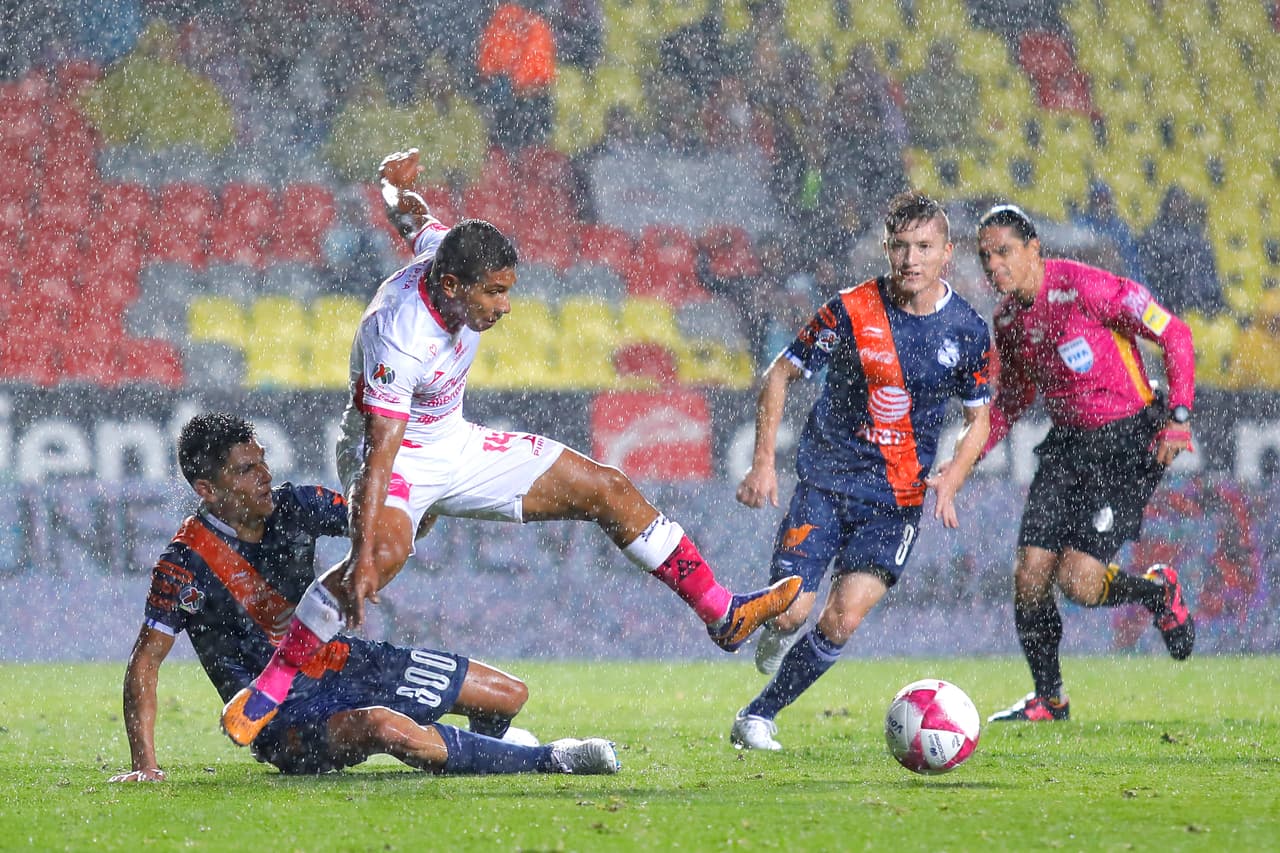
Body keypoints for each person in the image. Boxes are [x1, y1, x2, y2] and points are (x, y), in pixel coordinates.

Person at [220, 150, 802, 746]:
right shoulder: (397, 334)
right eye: (494, 293)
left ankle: (722, 615)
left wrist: (393, 188)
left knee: (608, 489)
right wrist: (366, 549)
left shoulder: (444, 257)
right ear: (452, 287)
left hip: (456, 442)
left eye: (507, 290)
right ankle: (273, 684)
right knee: (377, 563)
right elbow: (379, 456)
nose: (505, 306)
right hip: (395, 460)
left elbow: (414, 219)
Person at [110, 413, 620, 782]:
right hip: (282, 717)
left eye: (262, 460)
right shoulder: (185, 565)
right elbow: (145, 664)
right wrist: (145, 767)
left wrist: (418, 488)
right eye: (245, 469)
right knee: (383, 727)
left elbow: (390, 522)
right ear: (207, 488)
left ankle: (477, 757)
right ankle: (554, 760)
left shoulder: (296, 505)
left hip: (346, 663)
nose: (264, 474)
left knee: (509, 696)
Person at [729, 192, 993, 751]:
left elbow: (980, 417)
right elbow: (780, 375)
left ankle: (758, 715)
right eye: (900, 246)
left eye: (924, 247)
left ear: (947, 253)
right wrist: (763, 464)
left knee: (841, 619)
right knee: (793, 608)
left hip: (896, 498)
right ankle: (778, 629)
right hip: (826, 483)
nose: (911, 259)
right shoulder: (851, 310)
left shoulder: (967, 331)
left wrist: (954, 476)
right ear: (885, 248)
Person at [975, 203, 1196, 724]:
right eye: (985, 256)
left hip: (1127, 442)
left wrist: (1179, 417)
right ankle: (1050, 700)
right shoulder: (1007, 320)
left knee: (1077, 581)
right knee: (1030, 574)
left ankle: (1158, 591)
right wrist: (969, 454)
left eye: (1003, 252)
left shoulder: (1088, 288)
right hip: (1069, 447)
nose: (993, 266)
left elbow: (1175, 334)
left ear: (1034, 250)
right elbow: (1012, 399)